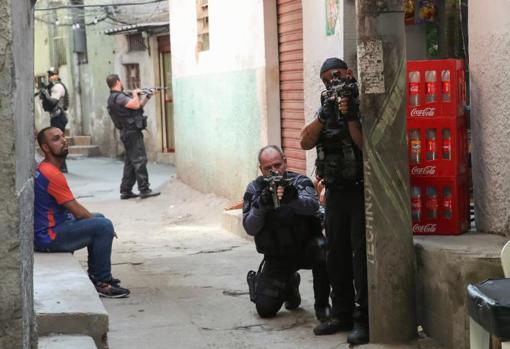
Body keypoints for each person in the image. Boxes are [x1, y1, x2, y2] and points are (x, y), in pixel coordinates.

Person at [299, 57, 369, 345]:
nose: (333, 80)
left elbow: (365, 145)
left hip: (360, 190)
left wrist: (350, 115)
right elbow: (304, 141)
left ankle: (363, 318)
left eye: (337, 74)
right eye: (327, 77)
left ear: (349, 73)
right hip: (336, 192)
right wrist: (323, 117)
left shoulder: (361, 101)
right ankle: (341, 313)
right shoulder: (325, 106)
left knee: (360, 256)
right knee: (335, 253)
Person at [34, 126, 130, 298]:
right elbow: (77, 211)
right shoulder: (51, 173)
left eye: (63, 136)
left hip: (55, 227)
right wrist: (106, 229)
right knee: (103, 225)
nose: (64, 140)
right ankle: (102, 282)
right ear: (45, 147)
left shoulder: (49, 169)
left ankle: (97, 275)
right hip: (49, 238)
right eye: (56, 139)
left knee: (99, 219)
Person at [243, 145, 331, 324]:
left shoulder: (299, 181)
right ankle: (290, 285)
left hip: (305, 249)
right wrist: (261, 205)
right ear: (261, 169)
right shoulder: (254, 188)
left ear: (285, 162)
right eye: (268, 168)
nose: (274, 171)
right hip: (277, 256)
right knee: (265, 309)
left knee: (323, 249)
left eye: (277, 165)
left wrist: (293, 200)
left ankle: (322, 305)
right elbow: (250, 228)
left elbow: (313, 206)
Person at [106, 74, 160, 200]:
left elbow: (138, 107)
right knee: (140, 160)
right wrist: (136, 93)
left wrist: (148, 95)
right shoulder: (118, 97)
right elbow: (135, 104)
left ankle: (126, 190)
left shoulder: (117, 97)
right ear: (118, 82)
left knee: (130, 162)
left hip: (129, 132)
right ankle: (144, 189)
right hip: (131, 132)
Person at [38, 67, 69, 173]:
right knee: (57, 142)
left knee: (58, 142)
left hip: (59, 116)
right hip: (55, 117)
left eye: (53, 74)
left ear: (57, 75)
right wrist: (43, 95)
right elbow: (47, 106)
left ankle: (62, 166)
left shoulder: (58, 87)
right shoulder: (52, 87)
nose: (51, 76)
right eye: (50, 74)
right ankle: (61, 165)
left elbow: (53, 102)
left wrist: (45, 94)